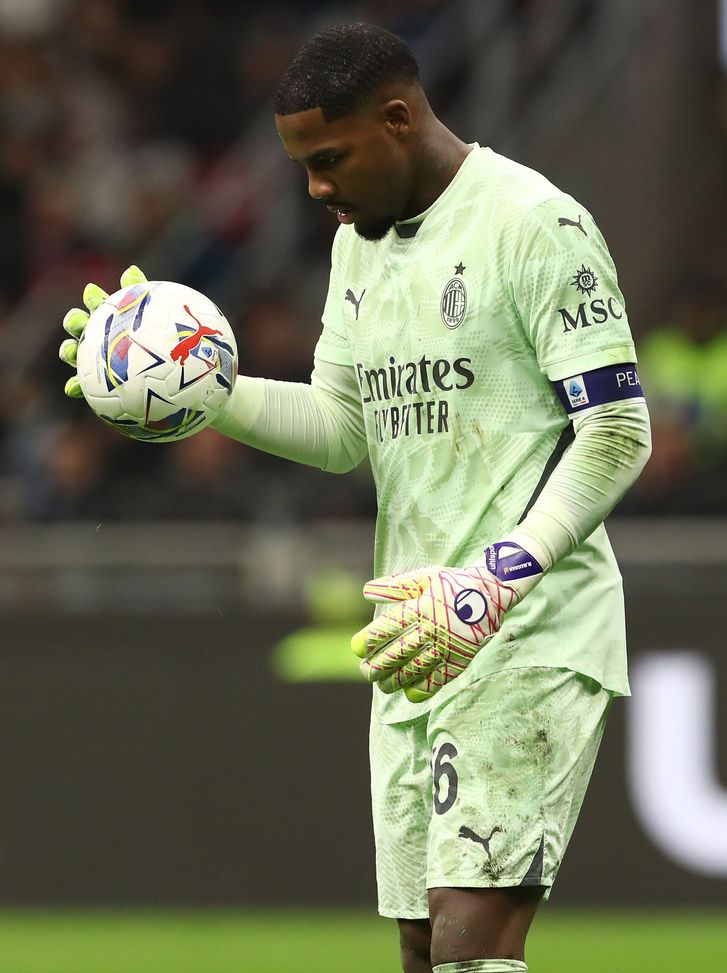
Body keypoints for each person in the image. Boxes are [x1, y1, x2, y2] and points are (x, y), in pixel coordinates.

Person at [60, 23, 651, 973]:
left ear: (399, 118)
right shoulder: (357, 248)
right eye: (302, 165)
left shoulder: (536, 223)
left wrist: (499, 576)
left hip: (524, 624)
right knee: (422, 945)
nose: (315, 190)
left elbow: (618, 430)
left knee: (471, 934)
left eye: (328, 160)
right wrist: (196, 396)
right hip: (414, 636)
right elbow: (344, 427)